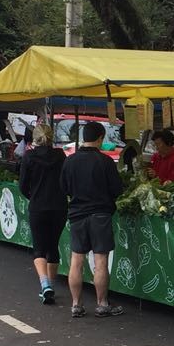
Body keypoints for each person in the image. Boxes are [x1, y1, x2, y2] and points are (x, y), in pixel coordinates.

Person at [60, 121, 124, 318]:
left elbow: (64, 188)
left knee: (76, 260)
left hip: (77, 214)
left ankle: (76, 305)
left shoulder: (69, 161)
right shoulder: (105, 162)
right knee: (100, 260)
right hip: (101, 215)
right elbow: (117, 190)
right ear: (100, 138)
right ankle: (102, 304)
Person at [20, 125, 67, 305]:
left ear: (35, 138)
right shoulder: (60, 156)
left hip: (38, 206)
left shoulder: (29, 157)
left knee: (39, 248)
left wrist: (33, 196)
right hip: (59, 206)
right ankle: (51, 286)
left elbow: (23, 185)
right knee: (53, 246)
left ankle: (45, 285)